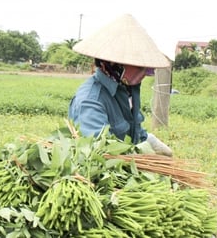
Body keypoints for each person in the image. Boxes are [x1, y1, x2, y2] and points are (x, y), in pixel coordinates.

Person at [68, 14, 173, 156]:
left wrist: (148, 140)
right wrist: (141, 159)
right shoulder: (90, 101)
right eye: (141, 66)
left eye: (148, 69)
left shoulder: (128, 88)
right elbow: (100, 154)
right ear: (116, 65)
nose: (146, 73)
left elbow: (134, 131)